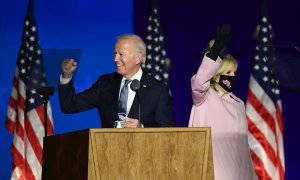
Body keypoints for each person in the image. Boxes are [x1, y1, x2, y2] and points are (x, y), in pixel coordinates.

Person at [59, 34, 174, 128]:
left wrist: (142, 128)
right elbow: (70, 106)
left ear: (138, 58)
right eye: (115, 53)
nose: (115, 59)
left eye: (121, 54)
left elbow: (167, 131)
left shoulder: (158, 89)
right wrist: (66, 76)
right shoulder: (105, 83)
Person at [188, 25, 258, 180]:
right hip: (210, 172)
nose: (232, 76)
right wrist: (215, 51)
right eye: (228, 72)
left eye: (234, 73)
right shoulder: (204, 97)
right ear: (216, 75)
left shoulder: (238, 103)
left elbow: (243, 148)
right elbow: (199, 82)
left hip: (237, 173)